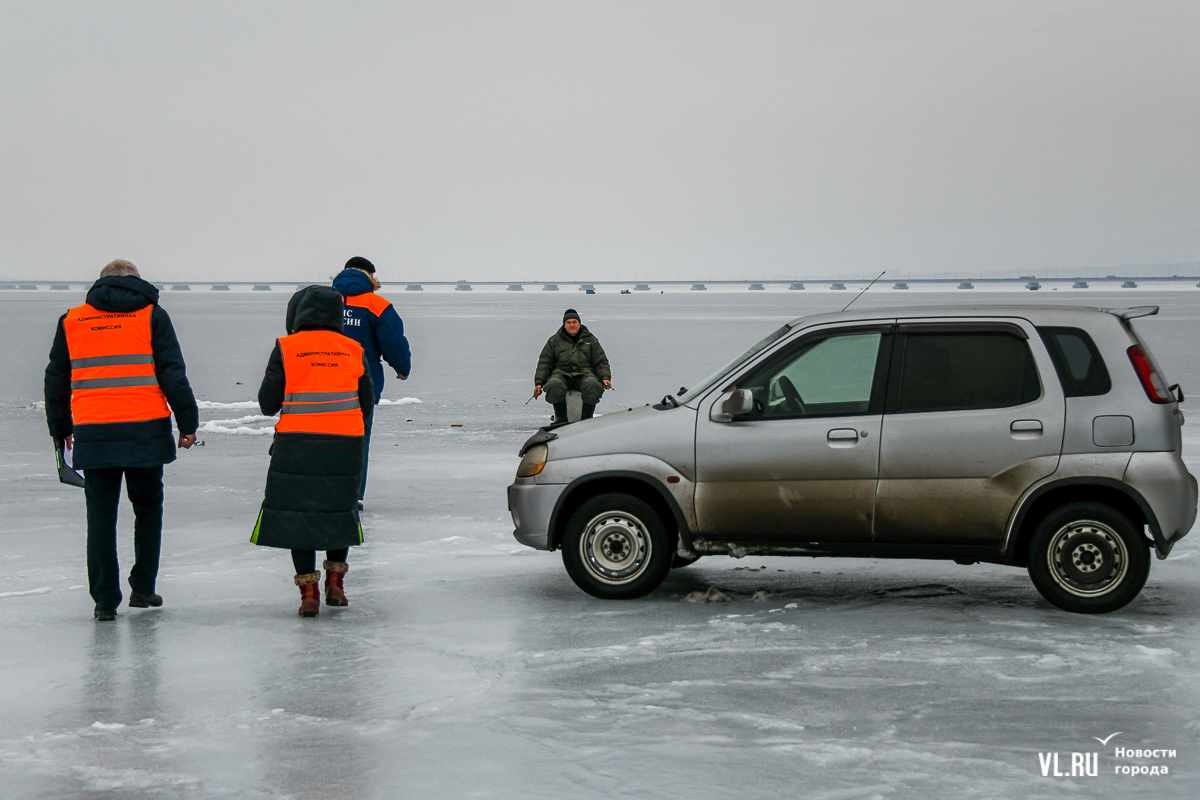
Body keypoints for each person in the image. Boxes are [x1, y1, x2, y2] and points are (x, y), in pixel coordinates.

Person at [43, 259, 198, 621]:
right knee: (147, 509)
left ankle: (104, 601)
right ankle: (143, 588)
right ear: (137, 282)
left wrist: (60, 427)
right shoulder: (152, 315)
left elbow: (55, 380)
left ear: (100, 284)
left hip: (94, 433)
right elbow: (172, 372)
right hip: (145, 430)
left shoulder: (73, 320)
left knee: (100, 518)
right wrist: (188, 422)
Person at [252, 285, 374, 617]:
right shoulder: (353, 349)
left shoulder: (286, 347)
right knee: (339, 511)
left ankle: (309, 594)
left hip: (296, 445)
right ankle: (336, 585)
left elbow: (267, 404)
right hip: (345, 445)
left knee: (299, 517)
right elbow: (366, 403)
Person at [331, 256, 410, 505]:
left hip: (317, 382)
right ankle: (353, 497)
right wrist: (402, 367)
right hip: (360, 386)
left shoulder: (320, 302)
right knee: (357, 442)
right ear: (370, 276)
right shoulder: (377, 305)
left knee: (320, 441)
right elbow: (393, 340)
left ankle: (319, 492)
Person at [534, 309, 612, 421]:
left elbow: (600, 361)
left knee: (593, 385)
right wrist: (539, 383)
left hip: (584, 374)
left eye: (574, 322)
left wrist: (605, 378)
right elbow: (545, 363)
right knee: (554, 384)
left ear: (579, 324)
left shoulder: (590, 340)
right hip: (561, 374)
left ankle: (586, 419)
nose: (572, 325)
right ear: (564, 325)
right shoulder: (554, 341)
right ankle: (561, 419)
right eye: (568, 322)